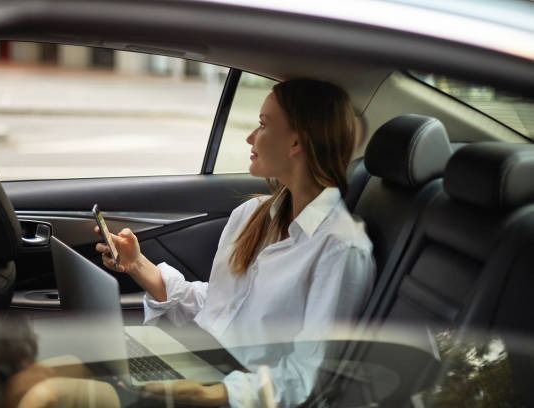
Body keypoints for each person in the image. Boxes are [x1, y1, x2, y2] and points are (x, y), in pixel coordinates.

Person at [95, 78, 375, 407]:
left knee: (51, 391)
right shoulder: (251, 214)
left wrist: (213, 395)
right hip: (202, 364)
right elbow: (222, 308)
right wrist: (139, 266)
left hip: (232, 393)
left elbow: (309, 377)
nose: (250, 138)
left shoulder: (341, 250)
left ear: (297, 142)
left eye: (263, 125)